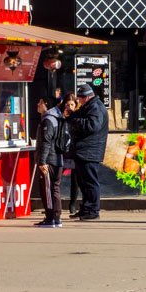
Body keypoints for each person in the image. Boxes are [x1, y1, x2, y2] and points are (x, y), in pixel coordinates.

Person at [35, 93, 76, 228]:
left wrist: (42, 161)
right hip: (59, 158)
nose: (37, 104)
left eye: (40, 102)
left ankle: (51, 218)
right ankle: (56, 218)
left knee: (48, 189)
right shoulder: (60, 118)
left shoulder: (49, 119)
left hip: (50, 159)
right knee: (55, 188)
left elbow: (46, 141)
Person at [68, 83, 109, 221]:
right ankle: (86, 208)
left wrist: (75, 121)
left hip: (90, 151)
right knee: (83, 182)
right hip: (84, 150)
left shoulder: (95, 107)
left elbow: (92, 126)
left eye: (80, 98)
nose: (78, 100)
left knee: (90, 182)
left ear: (87, 97)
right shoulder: (89, 106)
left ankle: (92, 210)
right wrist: (72, 116)